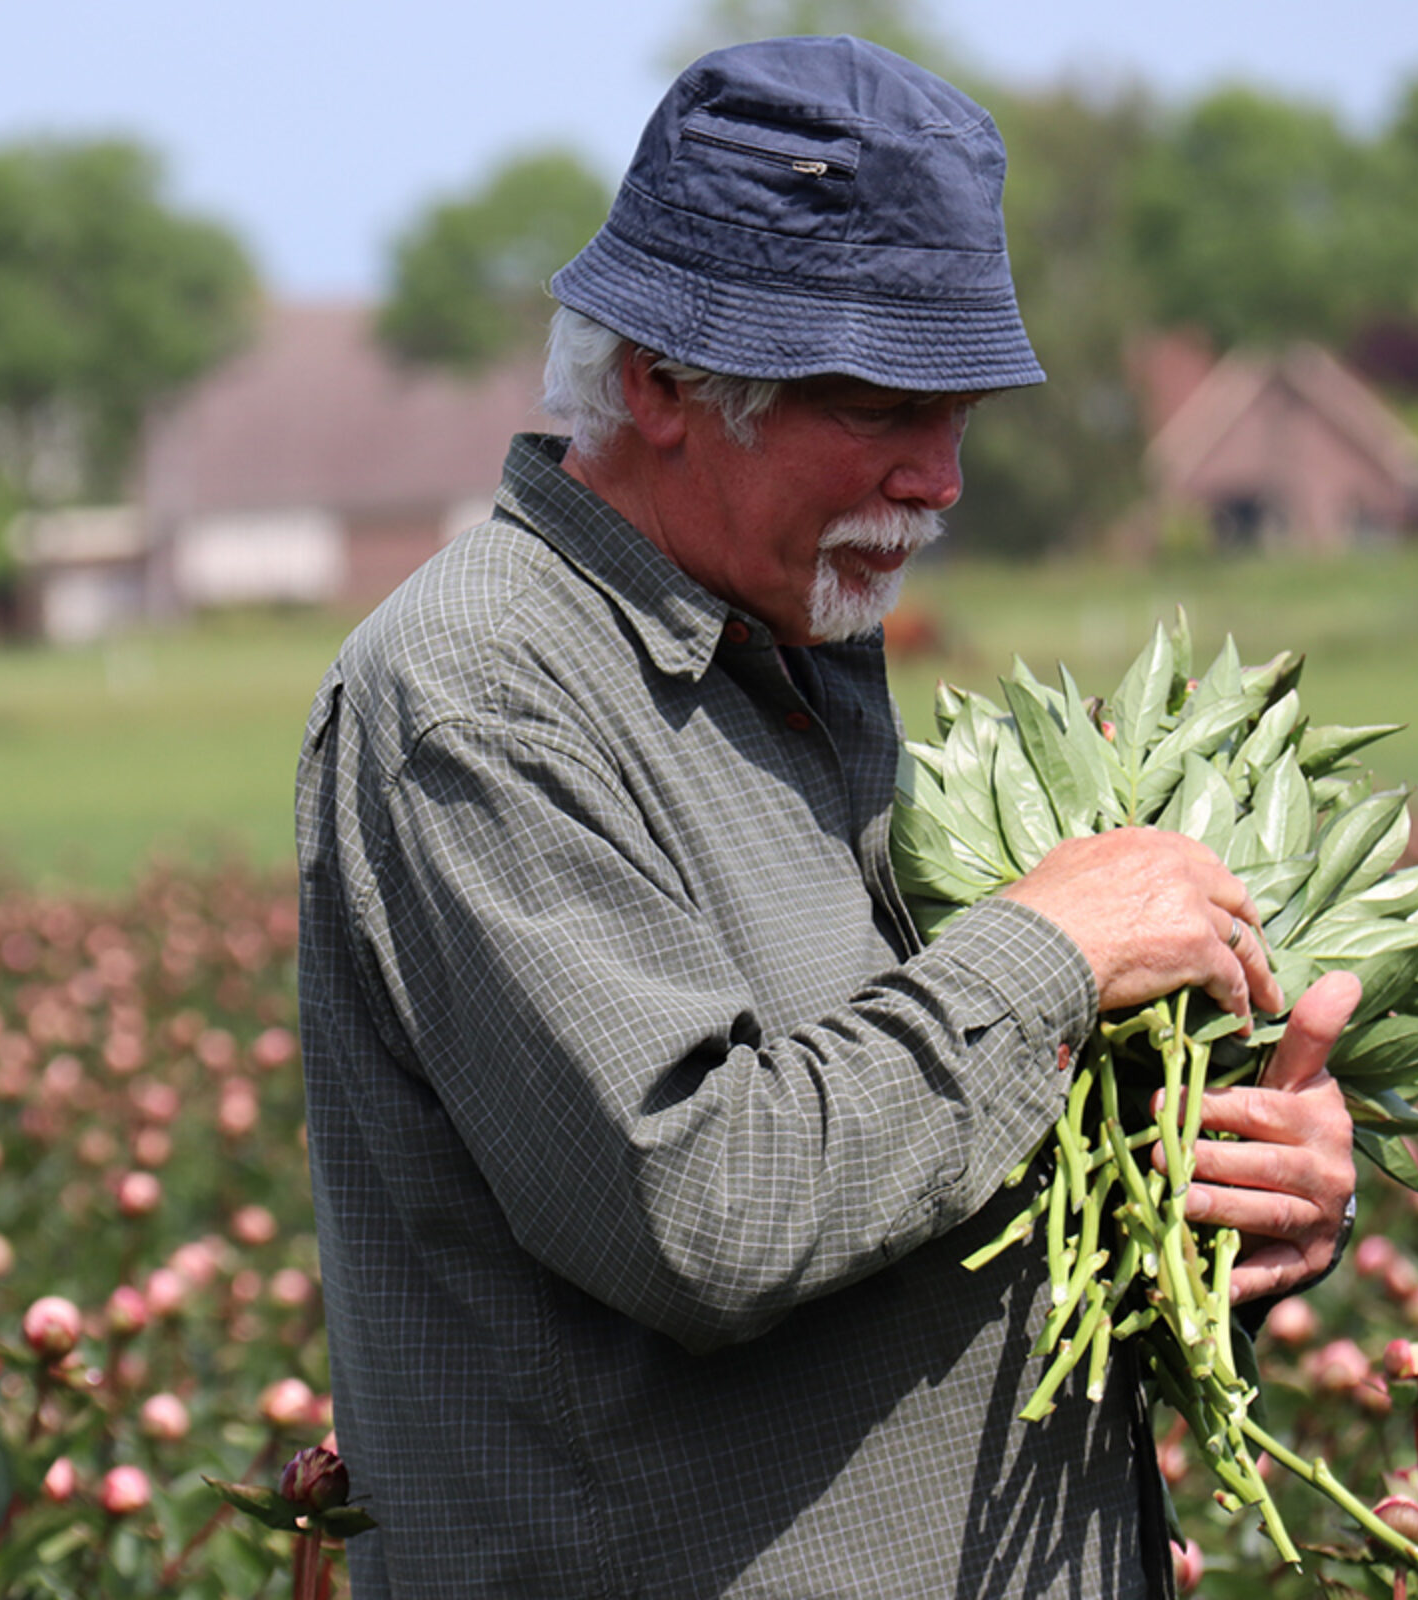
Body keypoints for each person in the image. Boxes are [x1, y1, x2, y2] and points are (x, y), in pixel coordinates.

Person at [296, 35, 1357, 1598]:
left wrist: (1231, 1191)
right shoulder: (481, 695)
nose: (938, 480)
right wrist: (1045, 952)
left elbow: (927, 1175)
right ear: (659, 379)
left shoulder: (796, 652)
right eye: (880, 406)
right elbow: (703, 1204)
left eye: (962, 413)